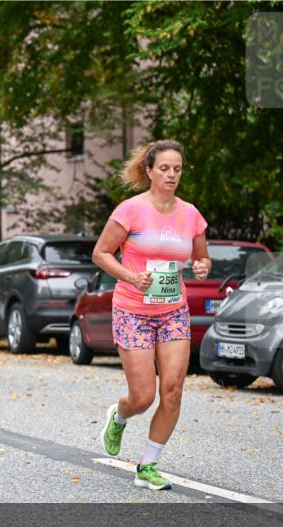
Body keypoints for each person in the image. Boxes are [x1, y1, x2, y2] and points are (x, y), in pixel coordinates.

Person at [93, 140, 210, 491]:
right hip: (133, 310)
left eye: (177, 169)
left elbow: (201, 257)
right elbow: (101, 253)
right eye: (164, 168)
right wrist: (131, 276)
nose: (171, 174)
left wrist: (202, 266)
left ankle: (147, 465)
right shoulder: (131, 210)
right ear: (149, 171)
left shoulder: (190, 214)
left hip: (173, 310)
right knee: (142, 397)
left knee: (172, 390)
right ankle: (120, 415)